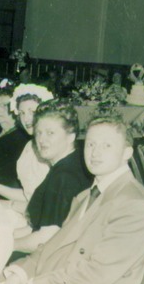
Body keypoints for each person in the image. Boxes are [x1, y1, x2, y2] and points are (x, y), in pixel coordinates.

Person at [0, 114, 144, 284]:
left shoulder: (135, 206)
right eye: (91, 144)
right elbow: (52, 245)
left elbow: (95, 275)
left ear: (127, 152)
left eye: (107, 146)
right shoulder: (88, 195)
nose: (95, 153)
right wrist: (20, 273)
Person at [12, 99, 91, 254]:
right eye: (39, 133)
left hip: (51, 258)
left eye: (50, 133)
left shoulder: (64, 177)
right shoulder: (70, 163)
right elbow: (34, 228)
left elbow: (44, 239)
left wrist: (4, 245)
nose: (42, 140)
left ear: (71, 137)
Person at [0, 83, 53, 213]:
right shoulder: (29, 146)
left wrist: (8, 205)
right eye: (22, 113)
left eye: (32, 112)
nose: (26, 118)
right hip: (25, 209)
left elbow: (44, 206)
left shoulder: (50, 149)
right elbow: (28, 194)